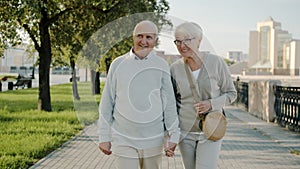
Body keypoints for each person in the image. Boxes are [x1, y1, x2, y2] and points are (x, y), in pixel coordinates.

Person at [98, 20, 180, 169]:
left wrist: (174, 134)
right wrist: (104, 136)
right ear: (133, 37)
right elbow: (107, 102)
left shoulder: (161, 65)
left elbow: (169, 103)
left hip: (153, 139)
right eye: (139, 36)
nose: (143, 41)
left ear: (155, 40)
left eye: (148, 37)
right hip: (123, 139)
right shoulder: (118, 64)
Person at [170, 22, 237, 169]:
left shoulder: (216, 62)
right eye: (178, 41)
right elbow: (172, 103)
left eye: (187, 40)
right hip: (185, 132)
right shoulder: (175, 68)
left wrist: (211, 104)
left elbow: (232, 94)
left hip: (212, 128)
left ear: (199, 40)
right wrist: (171, 134)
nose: (182, 45)